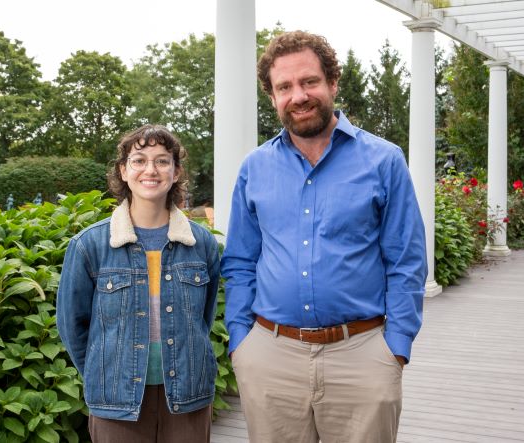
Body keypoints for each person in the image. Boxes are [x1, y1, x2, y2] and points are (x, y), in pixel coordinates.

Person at [221, 31, 427, 443]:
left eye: (309, 82)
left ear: (332, 83)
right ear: (272, 96)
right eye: (285, 87)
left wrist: (396, 347)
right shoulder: (254, 168)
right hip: (270, 356)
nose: (298, 95)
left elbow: (406, 260)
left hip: (363, 355)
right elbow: (241, 260)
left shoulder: (384, 160)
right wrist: (242, 344)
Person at [57, 124, 220, 443]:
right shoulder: (89, 246)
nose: (151, 169)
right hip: (117, 400)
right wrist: (105, 372)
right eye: (139, 160)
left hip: (188, 397)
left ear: (175, 172)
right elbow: (72, 327)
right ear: (123, 170)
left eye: (162, 160)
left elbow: (204, 319)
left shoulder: (201, 243)